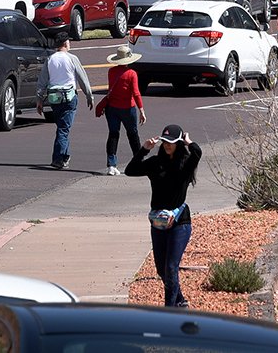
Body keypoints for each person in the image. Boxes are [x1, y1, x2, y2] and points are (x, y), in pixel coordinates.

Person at [125, 124, 201, 308]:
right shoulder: (155, 163)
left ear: (179, 143)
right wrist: (144, 150)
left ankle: (169, 311)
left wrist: (189, 142)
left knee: (171, 267)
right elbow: (130, 170)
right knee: (161, 269)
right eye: (165, 141)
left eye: (172, 142)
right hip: (158, 222)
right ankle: (180, 300)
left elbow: (197, 152)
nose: (167, 145)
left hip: (179, 222)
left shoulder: (185, 164)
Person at [36, 31, 93, 169]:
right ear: (66, 43)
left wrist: (39, 100)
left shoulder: (50, 59)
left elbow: (42, 81)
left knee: (62, 127)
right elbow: (82, 78)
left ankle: (65, 156)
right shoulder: (72, 58)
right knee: (63, 129)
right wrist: (89, 95)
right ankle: (58, 158)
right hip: (69, 97)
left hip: (54, 98)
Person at [95, 45, 147, 176]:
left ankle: (111, 165)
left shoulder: (111, 71)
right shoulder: (132, 74)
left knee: (113, 134)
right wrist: (141, 110)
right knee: (133, 135)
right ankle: (138, 162)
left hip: (112, 108)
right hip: (127, 109)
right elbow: (136, 93)